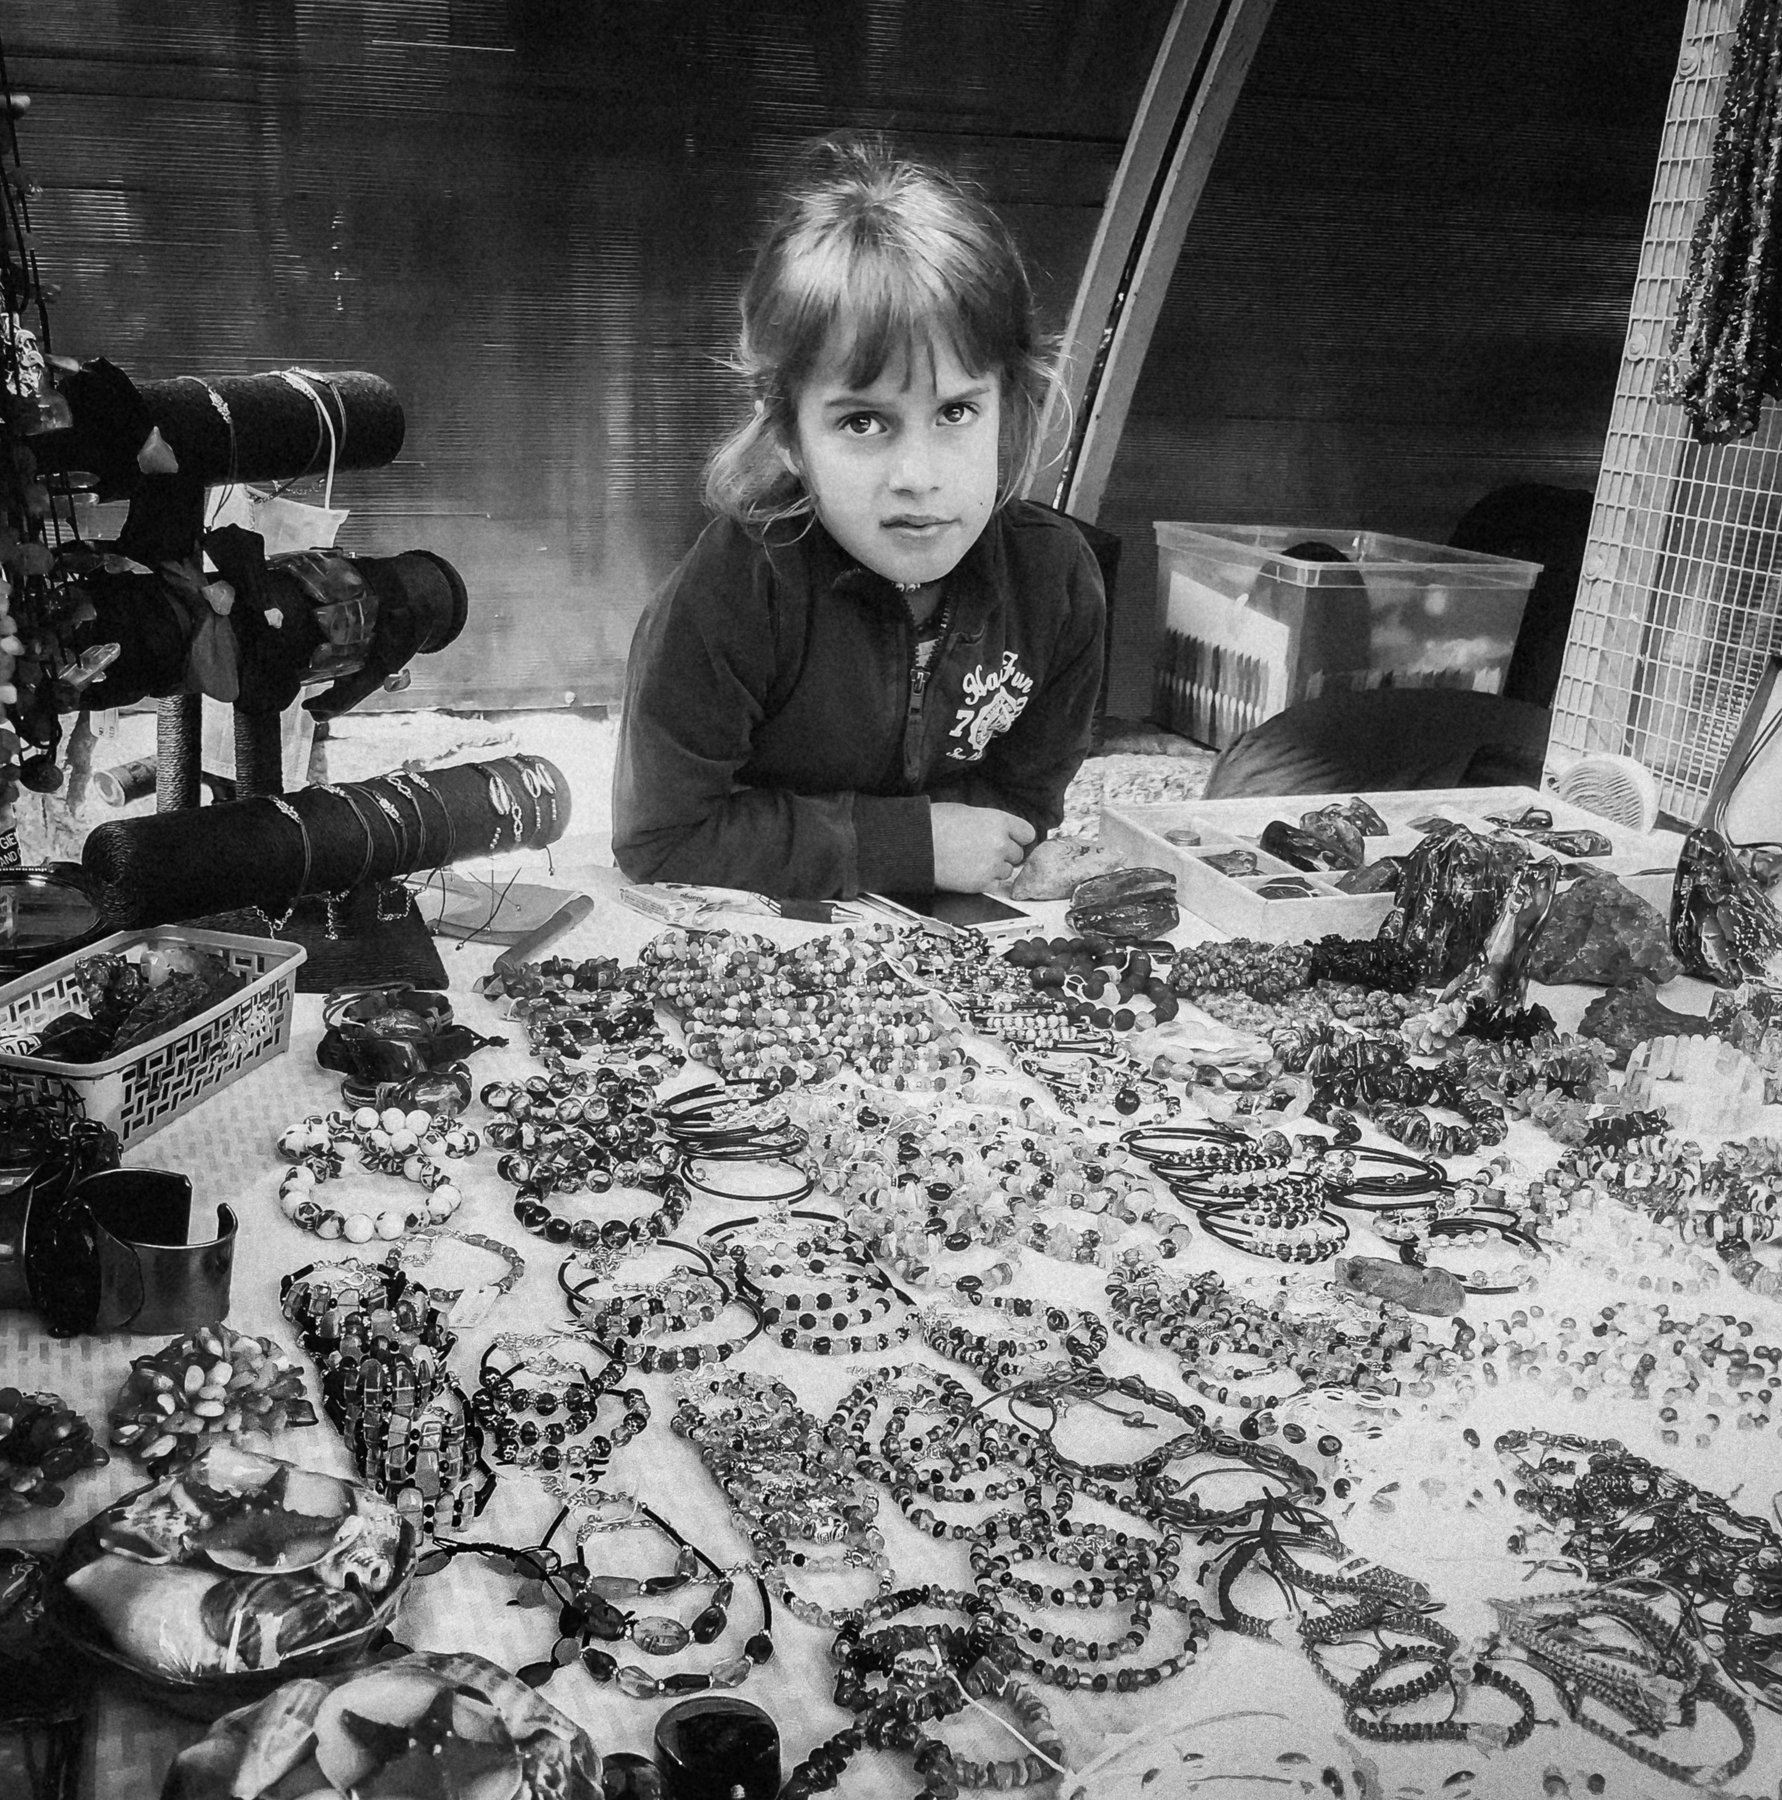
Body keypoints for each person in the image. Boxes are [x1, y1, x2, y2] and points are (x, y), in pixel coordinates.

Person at [611, 133, 1105, 900]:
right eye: (863, 422)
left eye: (956, 411)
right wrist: (904, 844)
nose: (918, 478)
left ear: (1009, 409)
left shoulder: (1056, 582)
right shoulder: (733, 589)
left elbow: (1021, 810)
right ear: (788, 435)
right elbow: (661, 837)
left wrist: (960, 843)